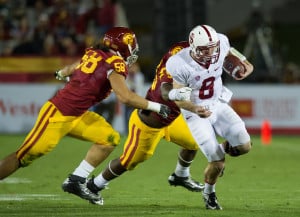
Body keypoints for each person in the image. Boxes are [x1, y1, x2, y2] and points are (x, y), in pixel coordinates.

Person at [0, 27, 174, 201]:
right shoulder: (116, 63)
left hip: (78, 114)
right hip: (59, 113)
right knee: (23, 156)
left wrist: (61, 73)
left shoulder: (95, 52)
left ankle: (76, 180)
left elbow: (73, 68)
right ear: (123, 47)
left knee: (109, 139)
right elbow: (125, 97)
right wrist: (156, 107)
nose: (133, 51)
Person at [72, 41, 211, 205]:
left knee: (194, 141)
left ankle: (181, 175)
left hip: (172, 119)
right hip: (149, 123)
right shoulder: (175, 65)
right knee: (128, 162)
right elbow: (165, 92)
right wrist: (181, 94)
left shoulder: (185, 50)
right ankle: (95, 185)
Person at [165, 25, 254, 210]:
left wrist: (246, 65)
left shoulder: (221, 41)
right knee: (217, 162)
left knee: (245, 146)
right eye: (205, 49)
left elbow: (237, 57)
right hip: (195, 112)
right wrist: (195, 108)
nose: (211, 52)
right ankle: (209, 193)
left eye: (212, 47)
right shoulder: (179, 62)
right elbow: (180, 99)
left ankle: (218, 150)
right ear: (193, 46)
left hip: (218, 104)